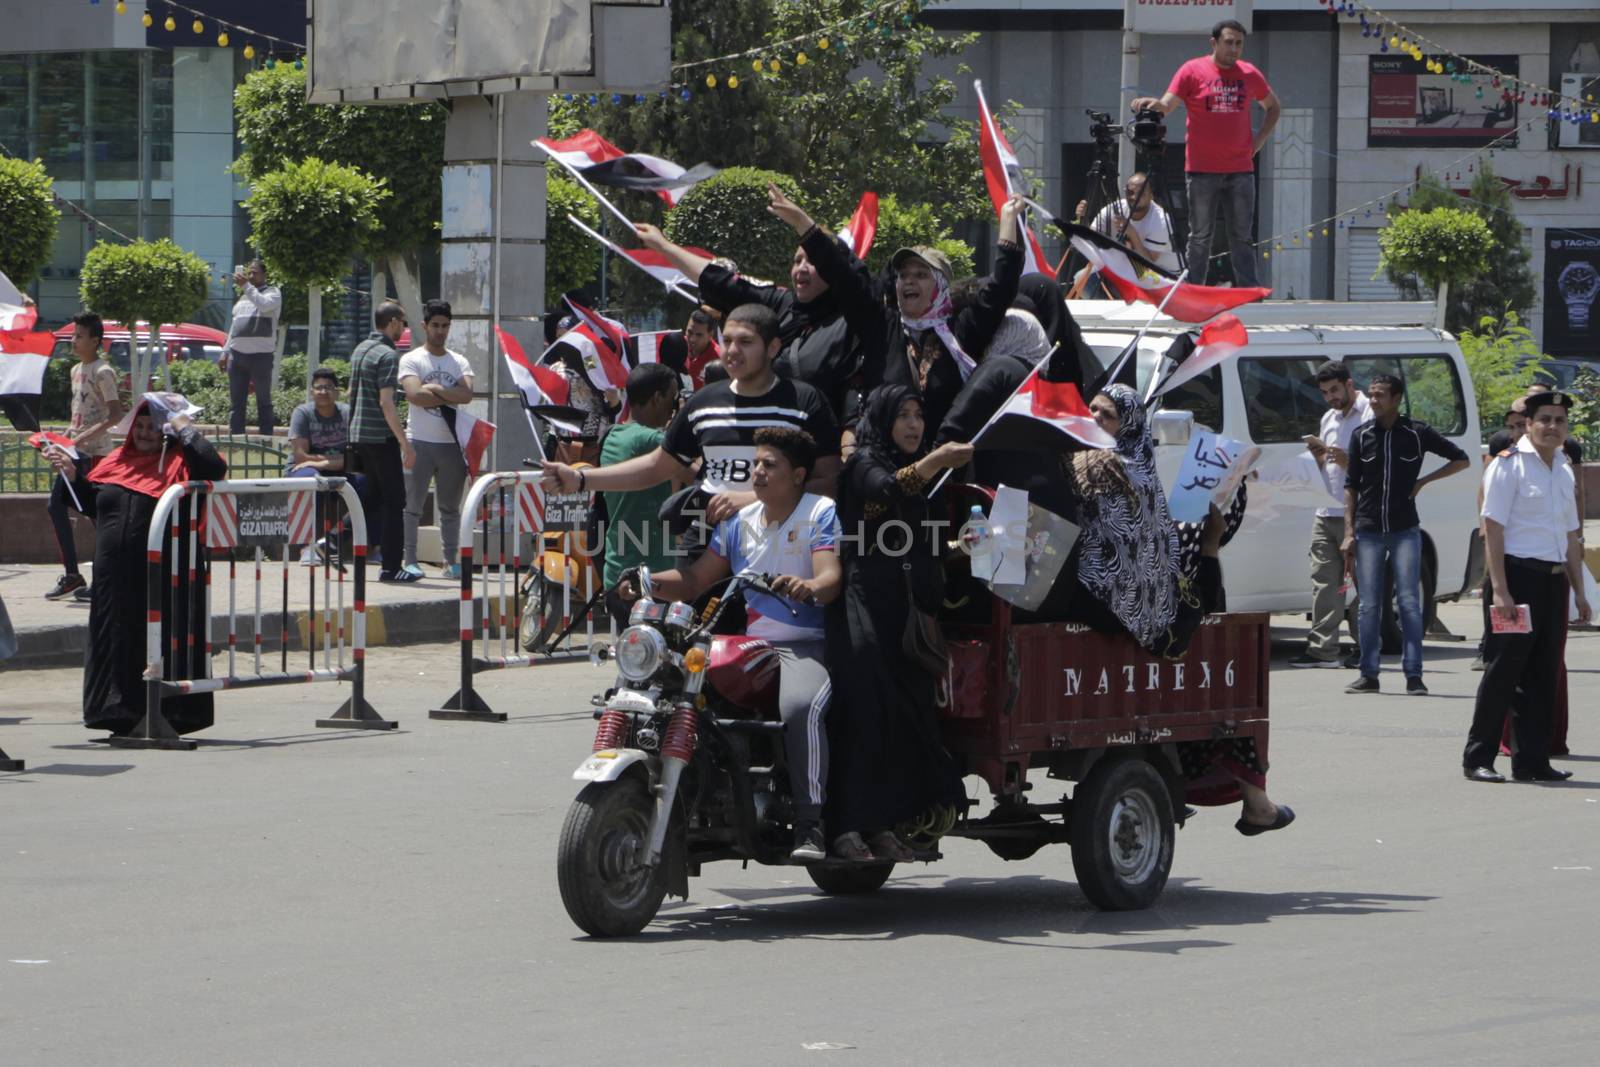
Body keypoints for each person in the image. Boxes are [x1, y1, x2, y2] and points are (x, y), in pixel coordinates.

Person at [615, 428, 843, 861]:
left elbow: (830, 578)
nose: (757, 471)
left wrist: (809, 585)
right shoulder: (738, 523)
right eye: (755, 463)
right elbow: (697, 579)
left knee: (800, 708)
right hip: (749, 644)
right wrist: (647, 581)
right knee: (667, 690)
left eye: (769, 464)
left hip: (805, 645)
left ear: (797, 475)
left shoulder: (820, 512)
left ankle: (813, 823)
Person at [540, 303, 841, 535]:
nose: (733, 351)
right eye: (729, 341)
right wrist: (580, 479)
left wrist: (756, 499)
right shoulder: (703, 403)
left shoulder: (805, 402)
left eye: (746, 342)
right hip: (707, 550)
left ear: (773, 347)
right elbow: (657, 466)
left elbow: (829, 482)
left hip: (783, 553)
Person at [826, 385, 972, 862]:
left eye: (918, 415)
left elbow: (922, 548)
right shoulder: (865, 464)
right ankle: (845, 829)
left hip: (906, 623)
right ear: (883, 420)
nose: (913, 425)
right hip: (862, 614)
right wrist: (939, 460)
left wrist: (961, 549)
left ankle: (881, 826)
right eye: (903, 416)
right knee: (864, 719)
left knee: (900, 725)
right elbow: (888, 489)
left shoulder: (924, 476)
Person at [765, 182, 1025, 439]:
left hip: (946, 464)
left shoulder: (962, 328)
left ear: (942, 286)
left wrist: (1009, 221)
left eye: (921, 275)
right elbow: (842, 276)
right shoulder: (881, 324)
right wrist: (803, 224)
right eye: (903, 275)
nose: (909, 281)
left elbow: (1002, 286)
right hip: (885, 467)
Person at [43, 397, 227, 736]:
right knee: (116, 639)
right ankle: (116, 713)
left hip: (168, 577)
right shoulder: (116, 462)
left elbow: (215, 467)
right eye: (139, 427)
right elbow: (93, 505)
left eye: (152, 428)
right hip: (114, 576)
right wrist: (70, 475)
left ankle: (171, 713)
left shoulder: (181, 464)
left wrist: (181, 422)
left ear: (166, 433)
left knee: (163, 640)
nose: (143, 433)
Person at [633, 209, 878, 421]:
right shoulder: (783, 304)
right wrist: (664, 246)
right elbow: (722, 283)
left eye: (813, 260)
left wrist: (802, 222)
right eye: (797, 260)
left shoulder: (857, 314)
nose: (801, 269)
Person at [1463, 391, 1591, 783]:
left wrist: (1580, 590)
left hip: (1553, 584)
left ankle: (1532, 759)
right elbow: (1493, 530)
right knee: (1503, 672)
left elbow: (1570, 535)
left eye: (1560, 421)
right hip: (1517, 581)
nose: (1553, 427)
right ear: (1529, 423)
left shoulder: (1563, 469)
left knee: (1543, 674)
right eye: (1545, 420)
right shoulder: (1509, 466)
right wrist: (1500, 590)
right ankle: (1478, 757)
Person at [1341, 373, 1470, 695]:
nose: (1373, 400)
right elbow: (1351, 487)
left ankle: (1414, 675)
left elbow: (1461, 460)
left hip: (1405, 529)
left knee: (1410, 603)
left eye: (1380, 395)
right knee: (1368, 605)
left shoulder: (1417, 433)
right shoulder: (1361, 435)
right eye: (1371, 395)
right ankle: (1368, 674)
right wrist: (1348, 532)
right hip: (1369, 529)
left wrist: (1424, 481)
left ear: (1397, 398)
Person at [1130, 19, 1280, 287]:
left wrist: (1258, 142)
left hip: (1240, 170)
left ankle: (1249, 291)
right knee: (1200, 236)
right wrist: (1151, 104)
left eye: (1239, 43)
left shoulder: (1249, 73)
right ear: (1214, 43)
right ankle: (1194, 289)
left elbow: (1273, 106)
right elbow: (1167, 104)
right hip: (1201, 171)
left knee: (1241, 236)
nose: (1234, 49)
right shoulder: (1192, 70)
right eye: (1228, 42)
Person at [1291, 361, 1372, 668]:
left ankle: (1367, 648)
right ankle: (1323, 650)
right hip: (1326, 509)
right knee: (1324, 581)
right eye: (1325, 392)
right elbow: (1328, 468)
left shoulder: (1369, 413)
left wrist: (1351, 461)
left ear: (1350, 384)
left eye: (1335, 390)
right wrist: (1320, 458)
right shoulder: (1329, 418)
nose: (1331, 397)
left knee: (1365, 583)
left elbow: (1377, 466)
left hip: (1360, 513)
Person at [44, 313, 123, 601]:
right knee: (56, 506)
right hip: (74, 452)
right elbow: (78, 415)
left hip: (96, 454)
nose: (74, 340)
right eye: (73, 335)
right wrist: (61, 441)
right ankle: (74, 575)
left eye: (79, 335)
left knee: (95, 516)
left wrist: (82, 438)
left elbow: (115, 415)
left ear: (95, 340)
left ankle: (107, 578)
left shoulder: (104, 371)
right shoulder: (76, 370)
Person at [599, 363, 682, 630]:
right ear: (658, 398)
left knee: (638, 663)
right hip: (649, 578)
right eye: (673, 398)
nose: (675, 405)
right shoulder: (652, 440)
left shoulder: (614, 434)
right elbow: (699, 473)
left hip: (618, 570)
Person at [398, 299, 474, 581]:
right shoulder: (411, 358)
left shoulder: (459, 361)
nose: (440, 331)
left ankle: (450, 561)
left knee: (450, 508)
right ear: (424, 326)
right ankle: (409, 559)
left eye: (444, 326)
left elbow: (467, 395)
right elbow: (414, 396)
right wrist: (447, 391)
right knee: (413, 505)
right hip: (419, 441)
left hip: (452, 443)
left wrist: (433, 388)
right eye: (435, 325)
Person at [348, 300, 418, 583]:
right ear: (391, 322)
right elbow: (386, 402)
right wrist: (405, 443)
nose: (404, 328)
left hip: (358, 435)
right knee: (395, 500)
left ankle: (330, 540)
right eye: (402, 322)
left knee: (373, 496)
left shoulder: (360, 349)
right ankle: (391, 567)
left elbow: (353, 393)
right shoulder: (388, 355)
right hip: (380, 436)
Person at [287, 367, 366, 566]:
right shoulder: (302, 413)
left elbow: (355, 457)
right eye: (319, 388)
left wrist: (322, 462)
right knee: (308, 481)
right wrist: (325, 463)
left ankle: (366, 546)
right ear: (312, 392)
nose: (323, 392)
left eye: (329, 387)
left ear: (337, 392)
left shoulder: (347, 413)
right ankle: (307, 547)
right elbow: (300, 457)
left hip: (337, 468)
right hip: (305, 469)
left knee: (369, 483)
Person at [219, 259, 284, 435]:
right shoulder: (242, 298)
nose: (251, 275)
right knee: (237, 401)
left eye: (255, 272)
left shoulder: (273, 293)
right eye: (249, 272)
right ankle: (236, 438)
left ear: (265, 274)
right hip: (237, 356)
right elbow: (234, 327)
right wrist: (225, 351)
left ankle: (266, 438)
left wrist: (246, 286)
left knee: (263, 400)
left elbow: (264, 305)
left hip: (260, 357)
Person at [1076, 172, 1181, 274]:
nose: (1134, 197)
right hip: (1130, 270)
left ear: (1151, 195)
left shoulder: (1160, 220)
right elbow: (1091, 241)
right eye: (1130, 192)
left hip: (1163, 276)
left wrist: (1132, 234)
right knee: (1084, 278)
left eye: (1141, 193)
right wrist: (1083, 219)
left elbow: (1149, 264)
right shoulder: (1114, 210)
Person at [654, 308, 721, 390]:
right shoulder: (675, 346)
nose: (692, 339)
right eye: (690, 332)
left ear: (710, 334)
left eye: (699, 335)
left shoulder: (719, 359)